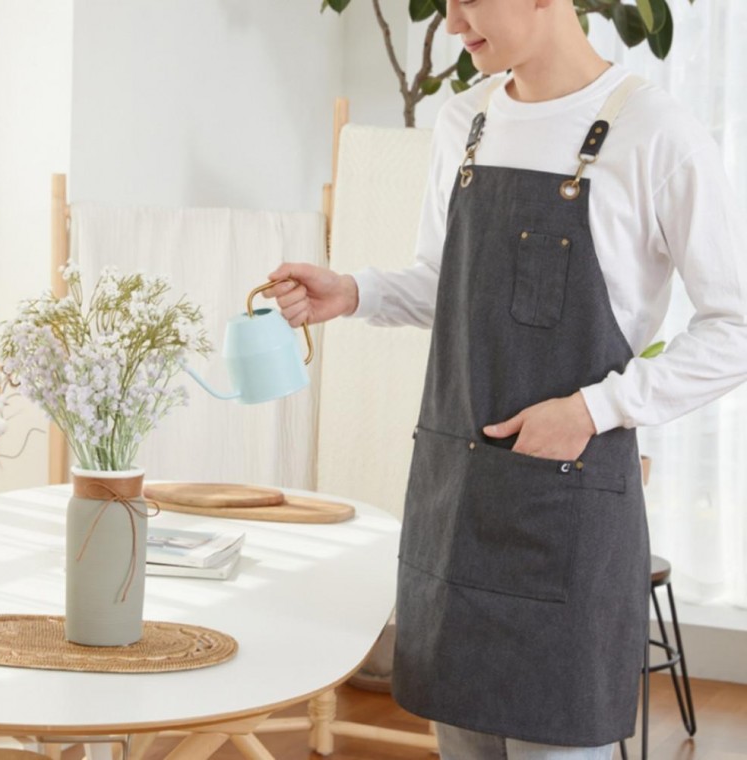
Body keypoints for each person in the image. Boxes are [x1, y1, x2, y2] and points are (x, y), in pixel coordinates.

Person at [264, 0, 747, 757]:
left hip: (567, 512)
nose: (452, 23)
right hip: (454, 507)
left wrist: (596, 408)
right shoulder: (468, 119)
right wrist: (353, 290)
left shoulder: (656, 133)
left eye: (468, 1)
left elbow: (736, 326)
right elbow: (444, 281)